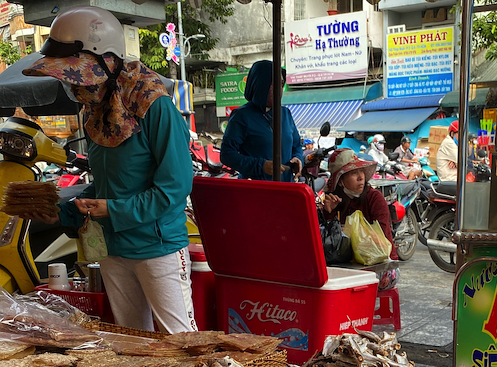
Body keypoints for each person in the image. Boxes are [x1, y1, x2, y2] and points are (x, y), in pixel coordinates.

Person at [22, 7, 196, 334]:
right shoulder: (97, 113)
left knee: (180, 341)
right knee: (132, 341)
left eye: (77, 76)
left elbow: (175, 187)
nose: (74, 88)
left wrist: (114, 210)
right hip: (113, 248)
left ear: (106, 61)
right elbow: (103, 187)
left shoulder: (153, 104)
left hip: (158, 247)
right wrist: (64, 212)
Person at [320, 148, 399, 289]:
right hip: (347, 267)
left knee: (352, 285)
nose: (360, 177)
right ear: (340, 181)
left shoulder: (374, 198)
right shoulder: (333, 202)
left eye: (361, 171)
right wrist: (329, 213)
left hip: (382, 266)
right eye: (353, 173)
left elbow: (381, 240)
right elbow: (328, 245)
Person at [220, 60, 303, 181]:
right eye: (273, 84)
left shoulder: (285, 114)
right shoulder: (242, 116)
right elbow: (227, 155)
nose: (279, 89)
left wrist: (298, 158)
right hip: (256, 190)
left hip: (285, 188)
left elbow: (296, 145)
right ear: (260, 85)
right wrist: (261, 166)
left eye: (281, 84)